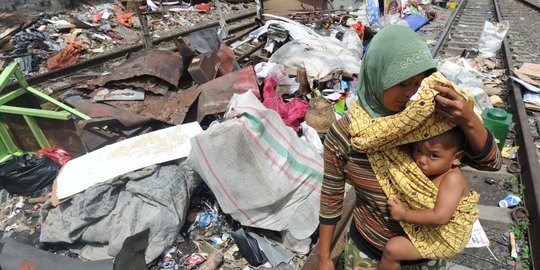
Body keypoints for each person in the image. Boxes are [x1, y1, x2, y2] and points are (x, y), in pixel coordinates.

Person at [318, 25, 501, 270]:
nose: (411, 93)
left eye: (417, 83)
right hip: (367, 252)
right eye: (402, 83)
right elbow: (331, 197)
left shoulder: (426, 120)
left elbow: (490, 163)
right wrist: (324, 257)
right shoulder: (344, 135)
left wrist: (468, 119)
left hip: (422, 254)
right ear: (377, 75)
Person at [379, 127, 477, 270]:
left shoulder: (452, 178)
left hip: (446, 239)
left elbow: (440, 217)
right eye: (418, 150)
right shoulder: (431, 171)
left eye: (433, 155)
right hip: (433, 229)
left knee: (393, 249)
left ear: (456, 158)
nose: (421, 160)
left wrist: (404, 214)